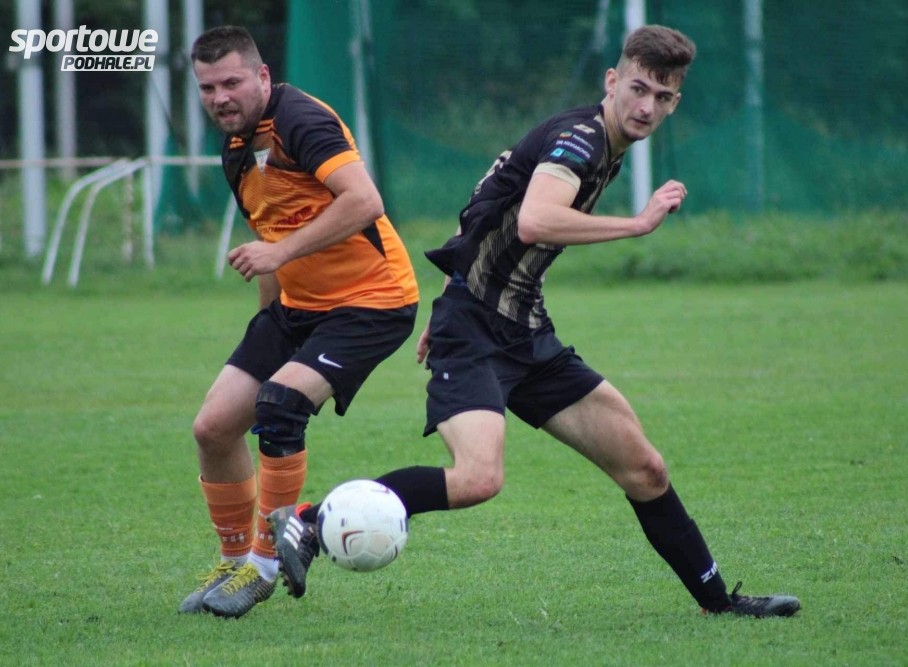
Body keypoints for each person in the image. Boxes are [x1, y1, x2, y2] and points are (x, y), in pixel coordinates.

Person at [269, 25, 800, 618]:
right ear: (613, 81)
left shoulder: (597, 142)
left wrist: (450, 291)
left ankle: (720, 604)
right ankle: (309, 520)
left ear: (675, 102)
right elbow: (534, 220)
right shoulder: (581, 140)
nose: (647, 106)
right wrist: (637, 224)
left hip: (525, 331)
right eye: (638, 88)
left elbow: (479, 211)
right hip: (474, 334)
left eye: (663, 96)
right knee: (478, 478)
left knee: (645, 468)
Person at [179, 26, 419, 619]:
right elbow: (270, 237)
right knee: (213, 428)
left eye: (232, 82)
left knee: (281, 404)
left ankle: (263, 568)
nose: (220, 98)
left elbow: (364, 201)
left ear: (262, 76)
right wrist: (264, 332)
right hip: (296, 308)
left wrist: (280, 254)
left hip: (373, 301)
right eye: (208, 88)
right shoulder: (237, 149)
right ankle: (233, 560)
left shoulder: (302, 121)